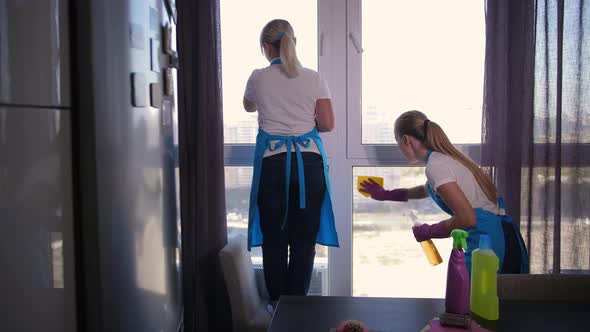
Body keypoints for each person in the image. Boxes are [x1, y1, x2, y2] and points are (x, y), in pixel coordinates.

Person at [360, 110, 528, 274]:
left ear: (406, 140)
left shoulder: (436, 166)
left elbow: (467, 218)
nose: (400, 150)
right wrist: (386, 194)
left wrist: (431, 231)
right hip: (502, 236)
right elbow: (424, 190)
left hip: (488, 243)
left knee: (476, 300)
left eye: (398, 144)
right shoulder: (444, 158)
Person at [244, 19, 339, 302]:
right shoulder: (313, 77)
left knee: (275, 242)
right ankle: (296, 311)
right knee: (303, 242)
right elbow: (328, 123)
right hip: (309, 164)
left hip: (272, 165)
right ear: (293, 43)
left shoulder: (258, 77)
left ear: (265, 47)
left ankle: (276, 309)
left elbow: (248, 105)